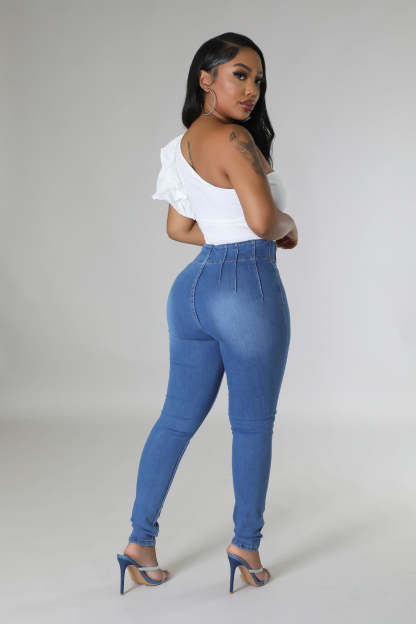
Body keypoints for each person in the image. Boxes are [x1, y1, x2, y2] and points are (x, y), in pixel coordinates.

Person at [116, 32, 298, 594]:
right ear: (206, 78)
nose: (251, 88)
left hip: (192, 291)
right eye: (239, 74)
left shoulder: (181, 147)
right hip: (246, 288)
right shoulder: (235, 139)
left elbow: (179, 229)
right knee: (252, 425)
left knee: (175, 419)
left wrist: (226, 238)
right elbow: (264, 221)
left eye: (258, 79)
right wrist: (287, 228)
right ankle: (246, 546)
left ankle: (138, 544)